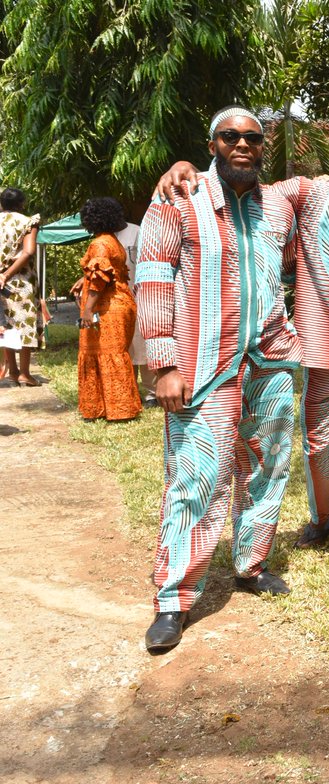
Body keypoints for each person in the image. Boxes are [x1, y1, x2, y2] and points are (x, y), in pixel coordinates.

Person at [154, 121, 329, 570]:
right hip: (320, 353)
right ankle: (324, 518)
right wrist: (188, 168)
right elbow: (241, 179)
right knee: (320, 447)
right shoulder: (310, 194)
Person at [137, 106, 302, 653]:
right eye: (230, 136)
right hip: (202, 363)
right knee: (196, 478)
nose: (242, 144)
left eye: (252, 138)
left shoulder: (279, 204)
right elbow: (155, 278)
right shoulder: (178, 198)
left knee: (268, 467)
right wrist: (163, 362)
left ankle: (251, 565)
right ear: (212, 143)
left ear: (263, 146)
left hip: (271, 360)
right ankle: (174, 598)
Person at [75, 197, 142, 421]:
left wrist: (87, 310)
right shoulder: (114, 241)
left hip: (107, 308)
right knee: (116, 354)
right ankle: (119, 408)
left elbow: (98, 279)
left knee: (106, 354)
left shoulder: (100, 244)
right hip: (123, 302)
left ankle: (113, 410)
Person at [0, 188, 41, 388]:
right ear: (22, 203)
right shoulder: (28, 221)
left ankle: (13, 371)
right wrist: (7, 274)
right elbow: (28, 251)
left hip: (0, 282)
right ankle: (25, 373)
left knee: (6, 325)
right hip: (21, 280)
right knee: (24, 324)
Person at [116, 217, 157, 405]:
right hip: (117, 302)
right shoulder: (106, 236)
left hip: (141, 296)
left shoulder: (137, 232)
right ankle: (131, 391)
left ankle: (152, 393)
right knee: (126, 347)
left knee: (144, 345)